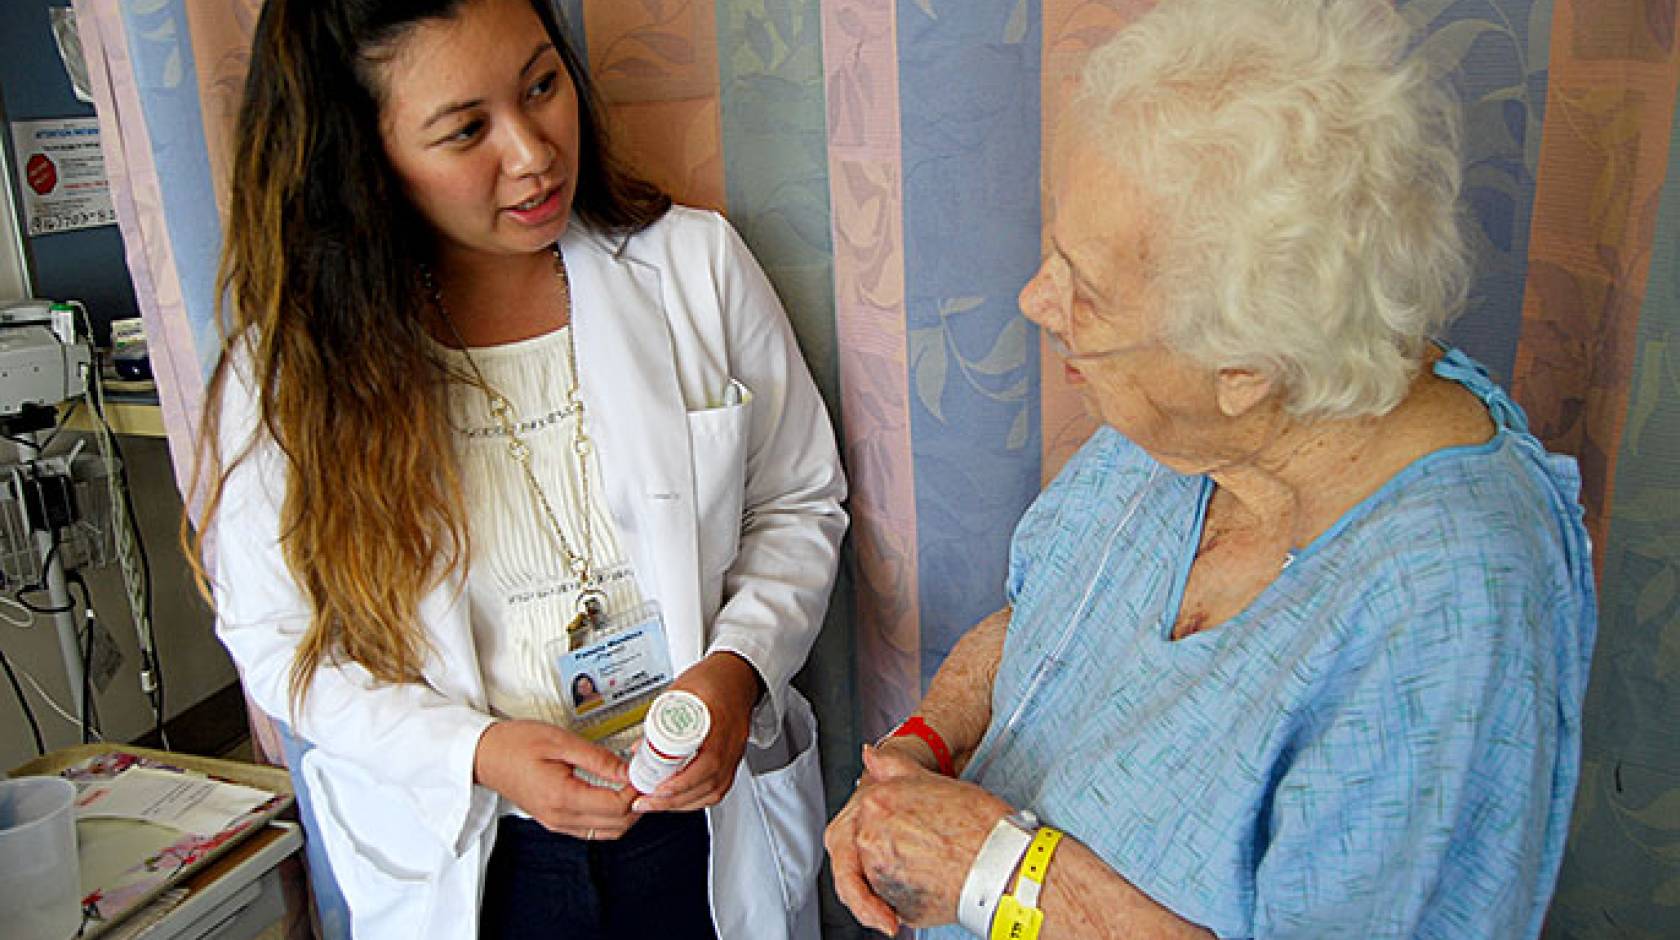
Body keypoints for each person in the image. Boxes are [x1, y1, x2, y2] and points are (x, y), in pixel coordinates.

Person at [825, 0, 1595, 937]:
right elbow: (1048, 625)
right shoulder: (1185, 426)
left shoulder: (1451, 601)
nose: (1038, 299)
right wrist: (919, 753)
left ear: (1246, 364)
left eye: (1089, 292)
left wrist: (998, 872)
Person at [188, 0, 845, 938]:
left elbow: (798, 500)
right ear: (362, 160)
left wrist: (740, 670)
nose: (534, 152)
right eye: (466, 131)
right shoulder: (296, 377)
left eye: (542, 85)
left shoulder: (693, 267)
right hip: (481, 860)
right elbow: (279, 637)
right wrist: (477, 752)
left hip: (698, 826)